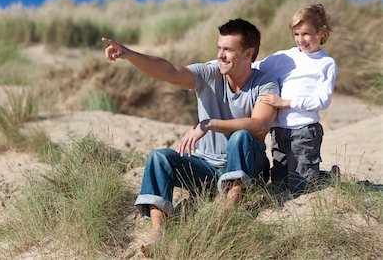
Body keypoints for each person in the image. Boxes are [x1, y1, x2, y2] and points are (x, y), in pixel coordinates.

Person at [101, 18, 279, 256]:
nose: (221, 55)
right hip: (206, 169)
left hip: (249, 167)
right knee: (159, 157)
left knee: (241, 137)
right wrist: (129, 54)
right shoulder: (209, 73)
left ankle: (227, 219)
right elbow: (169, 71)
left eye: (228, 50)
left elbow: (259, 125)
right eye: (219, 48)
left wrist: (210, 124)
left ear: (248, 53)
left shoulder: (265, 83)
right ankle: (158, 232)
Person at [254, 3, 338, 195]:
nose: (301, 40)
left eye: (306, 34)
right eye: (296, 34)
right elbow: (253, 67)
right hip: (279, 130)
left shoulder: (326, 63)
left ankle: (325, 179)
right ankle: (324, 176)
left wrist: (285, 102)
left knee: (302, 185)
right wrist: (217, 65)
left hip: (305, 130)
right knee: (279, 181)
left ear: (322, 33)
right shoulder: (283, 57)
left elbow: (322, 101)